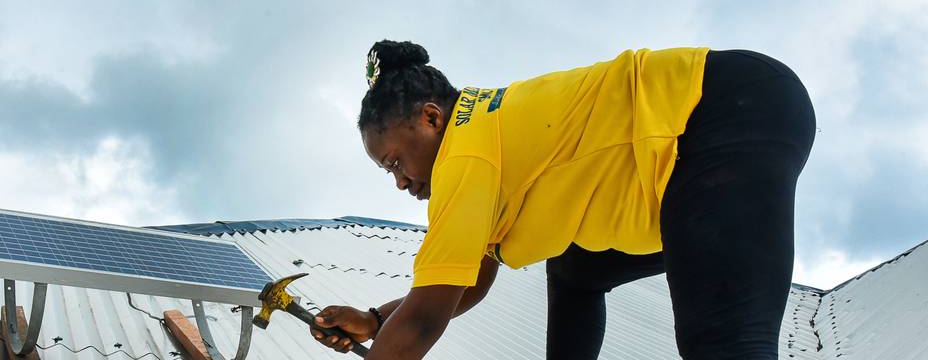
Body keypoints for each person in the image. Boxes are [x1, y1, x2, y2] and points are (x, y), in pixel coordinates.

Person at [308, 40, 817, 359]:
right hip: (719, 131)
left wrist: (390, 332)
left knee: (722, 345)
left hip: (719, 114)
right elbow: (465, 286)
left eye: (395, 162)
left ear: (431, 118)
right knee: (576, 269)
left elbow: (424, 319)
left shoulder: (466, 157)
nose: (399, 182)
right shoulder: (485, 144)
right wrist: (375, 320)